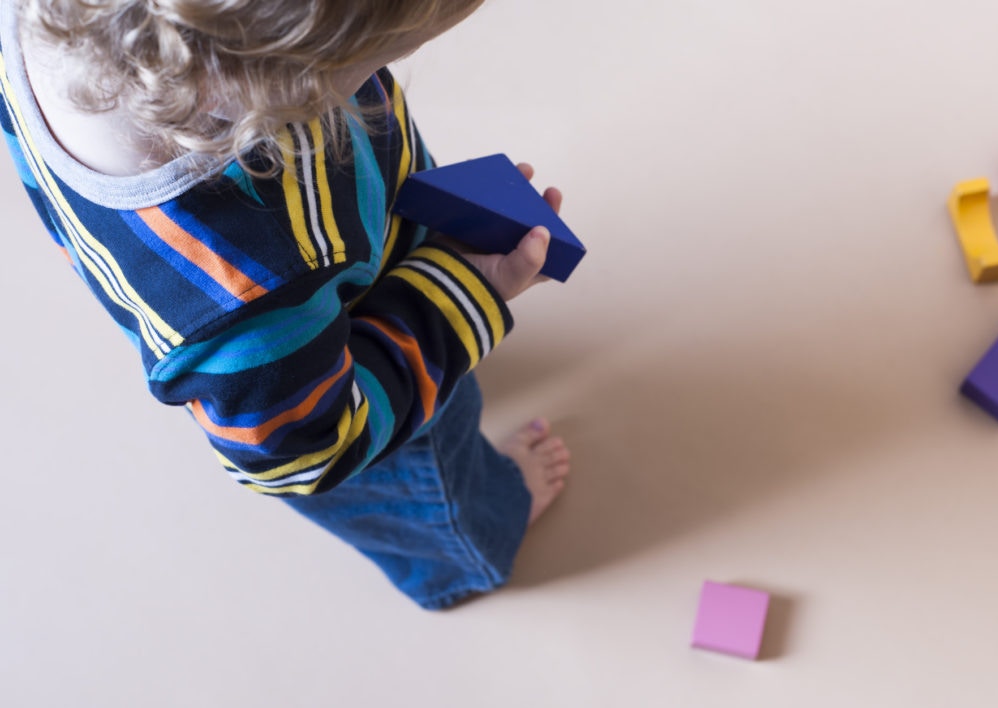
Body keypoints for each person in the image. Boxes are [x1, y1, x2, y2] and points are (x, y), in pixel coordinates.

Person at [0, 0, 571, 610]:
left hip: (331, 262)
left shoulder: (54, 22)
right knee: (427, 462)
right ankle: (473, 537)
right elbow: (310, 450)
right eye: (385, 57)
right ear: (255, 83)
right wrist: (464, 288)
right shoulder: (251, 289)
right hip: (338, 393)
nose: (390, 72)